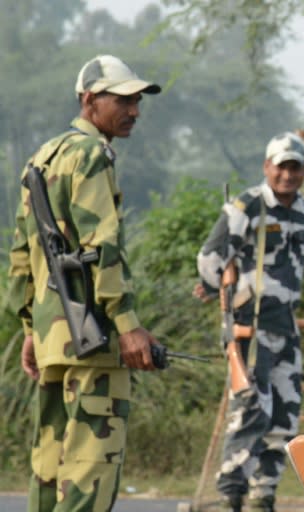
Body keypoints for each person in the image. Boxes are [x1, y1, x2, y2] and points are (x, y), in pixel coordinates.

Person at [8, 54, 162, 512]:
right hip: (92, 336)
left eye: (137, 101)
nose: (134, 111)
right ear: (90, 99)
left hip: (56, 341)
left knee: (51, 466)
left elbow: (21, 257)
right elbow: (102, 247)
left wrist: (31, 331)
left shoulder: (42, 156)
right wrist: (129, 325)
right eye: (123, 99)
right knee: (90, 471)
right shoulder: (92, 155)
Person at [195, 132, 304, 512]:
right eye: (281, 166)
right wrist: (213, 288)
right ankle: (231, 492)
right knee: (250, 410)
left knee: (284, 415)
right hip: (251, 325)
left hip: (286, 326)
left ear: (303, 170)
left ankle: (263, 496)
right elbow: (211, 257)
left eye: (295, 167)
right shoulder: (247, 205)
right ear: (268, 167)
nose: (288, 175)